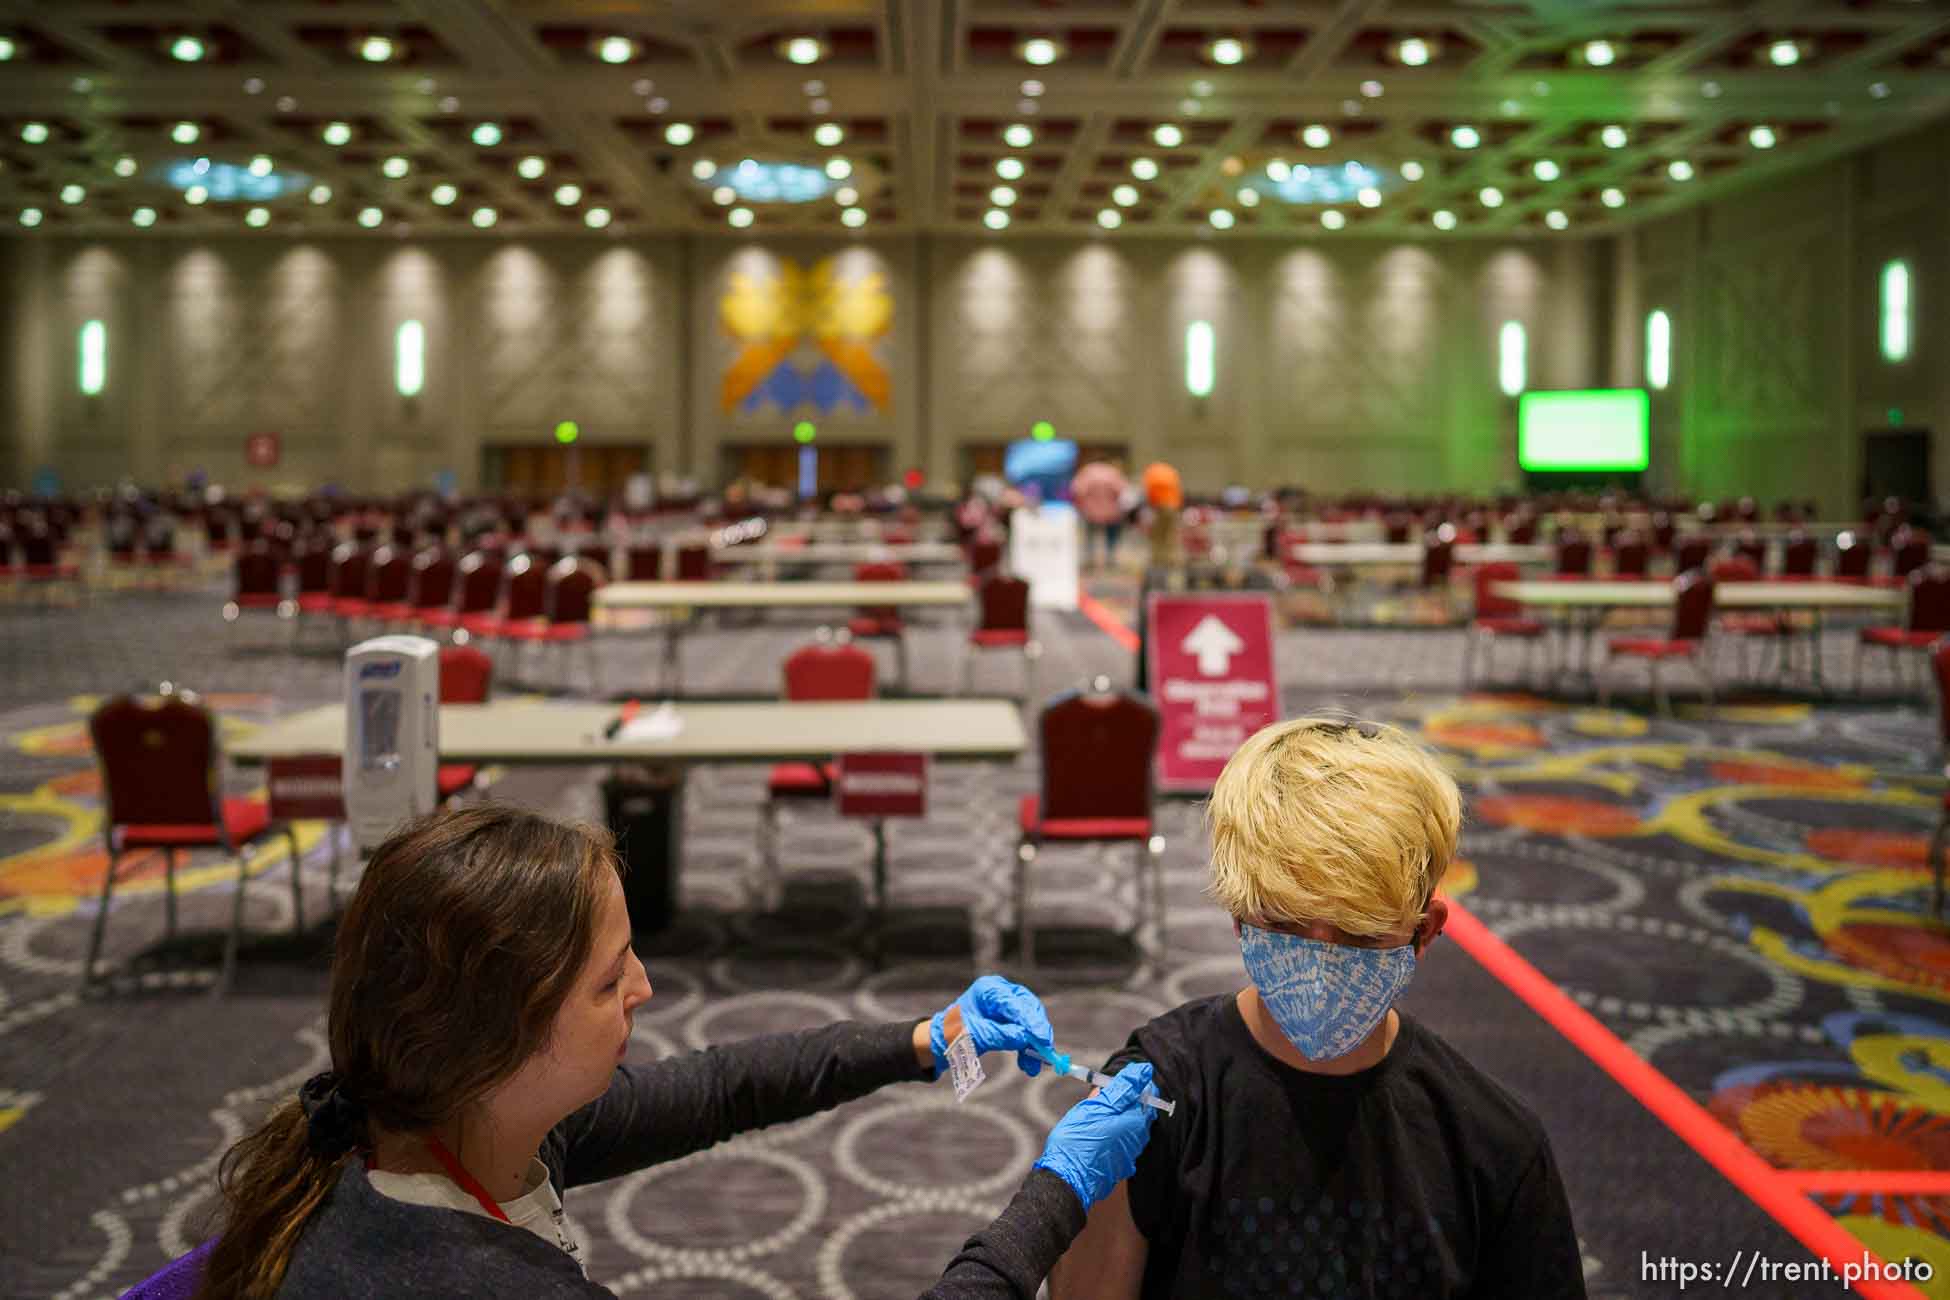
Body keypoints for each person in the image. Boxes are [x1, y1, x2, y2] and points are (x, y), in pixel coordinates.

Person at [184, 804, 1158, 1299]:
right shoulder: (479, 1279)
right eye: (610, 982)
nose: (646, 990)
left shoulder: (426, 1126)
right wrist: (1058, 1192)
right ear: (500, 1037)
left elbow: (720, 1088)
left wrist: (922, 1040)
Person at [1049, 717, 1586, 1299]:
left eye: (1358, 932)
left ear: (1423, 933)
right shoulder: (1150, 1103)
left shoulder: (1494, 1147)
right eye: (1285, 921)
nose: (1320, 962)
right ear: (1240, 916)